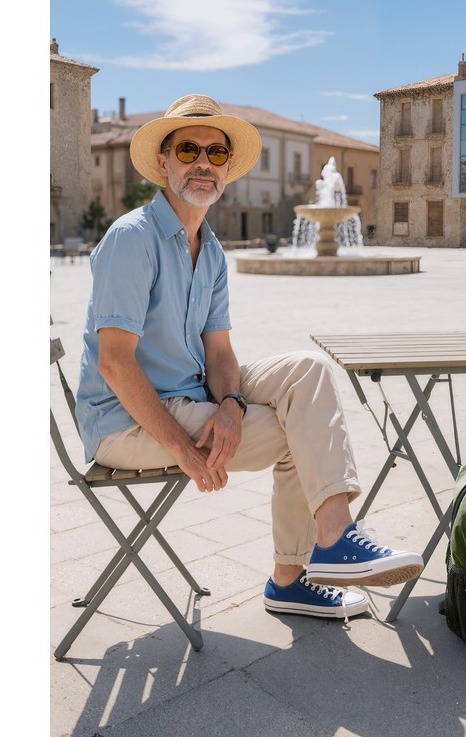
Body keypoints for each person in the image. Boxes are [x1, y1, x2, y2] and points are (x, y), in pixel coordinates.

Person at [75, 94, 423, 621]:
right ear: (164, 162)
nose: (202, 163)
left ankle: (331, 542)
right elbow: (115, 364)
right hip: (126, 421)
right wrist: (184, 451)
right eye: (188, 149)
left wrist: (232, 404)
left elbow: (219, 351)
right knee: (299, 433)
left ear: (227, 168)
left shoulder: (210, 249)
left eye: (216, 153)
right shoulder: (133, 238)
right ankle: (293, 577)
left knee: (308, 371)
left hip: (188, 392)